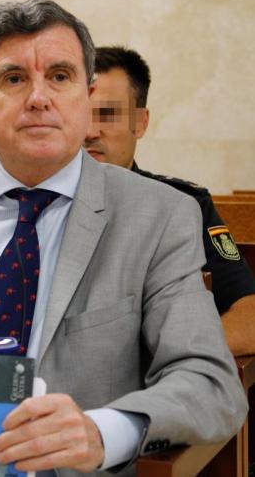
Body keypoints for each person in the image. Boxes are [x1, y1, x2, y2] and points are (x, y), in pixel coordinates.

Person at [0, 0, 246, 475]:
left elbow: (210, 383)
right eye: (14, 78)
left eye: (60, 76)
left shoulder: (160, 216)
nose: (39, 98)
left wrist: (102, 431)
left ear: (87, 96)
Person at [84, 45, 255, 356]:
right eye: (80, 114)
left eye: (107, 114)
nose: (89, 131)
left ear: (141, 122)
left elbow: (249, 316)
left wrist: (172, 355)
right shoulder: (38, 203)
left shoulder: (184, 206)